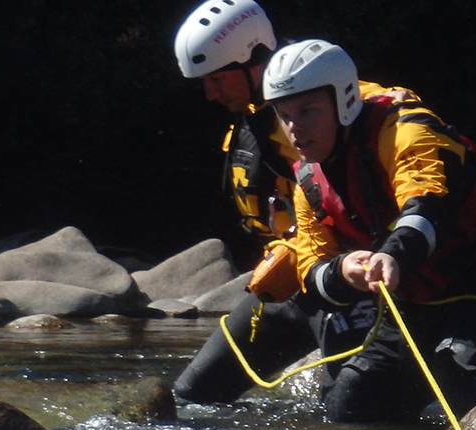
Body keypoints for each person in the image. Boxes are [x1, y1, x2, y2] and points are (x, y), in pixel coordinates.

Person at [261, 40, 476, 423]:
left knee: (460, 383)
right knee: (352, 403)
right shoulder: (307, 182)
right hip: (415, 296)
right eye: (285, 115)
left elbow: (428, 205)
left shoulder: (408, 132)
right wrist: (342, 270)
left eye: (307, 111)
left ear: (343, 101)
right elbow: (311, 266)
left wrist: (393, 254)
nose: (294, 128)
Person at [168, 2, 413, 405]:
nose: (210, 93)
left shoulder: (329, 99)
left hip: (356, 282)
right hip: (298, 283)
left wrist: (402, 102)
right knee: (192, 394)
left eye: (217, 79)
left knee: (351, 409)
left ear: (252, 61)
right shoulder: (256, 120)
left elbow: (383, 109)